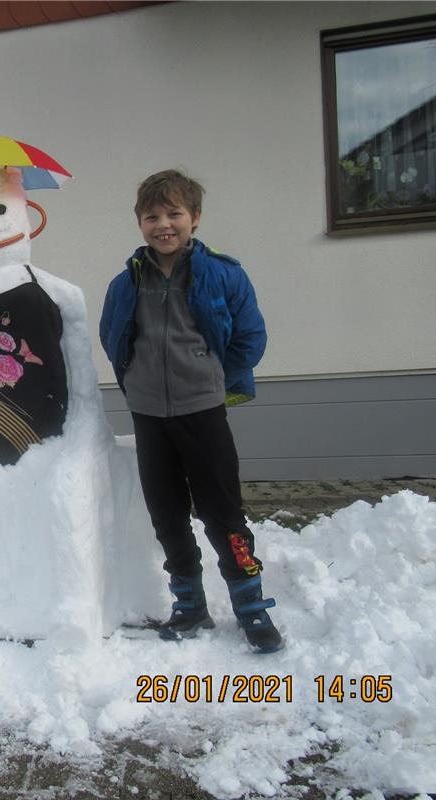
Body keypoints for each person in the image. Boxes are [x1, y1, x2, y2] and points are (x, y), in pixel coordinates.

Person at [99, 169, 283, 653]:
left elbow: (250, 336)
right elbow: (113, 336)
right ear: (140, 222)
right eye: (152, 216)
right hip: (148, 415)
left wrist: (213, 376)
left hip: (202, 410)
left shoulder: (223, 273)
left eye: (174, 214)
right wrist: (136, 379)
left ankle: (251, 605)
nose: (164, 224)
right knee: (167, 514)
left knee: (223, 513)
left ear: (194, 218)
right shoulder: (126, 283)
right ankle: (189, 604)